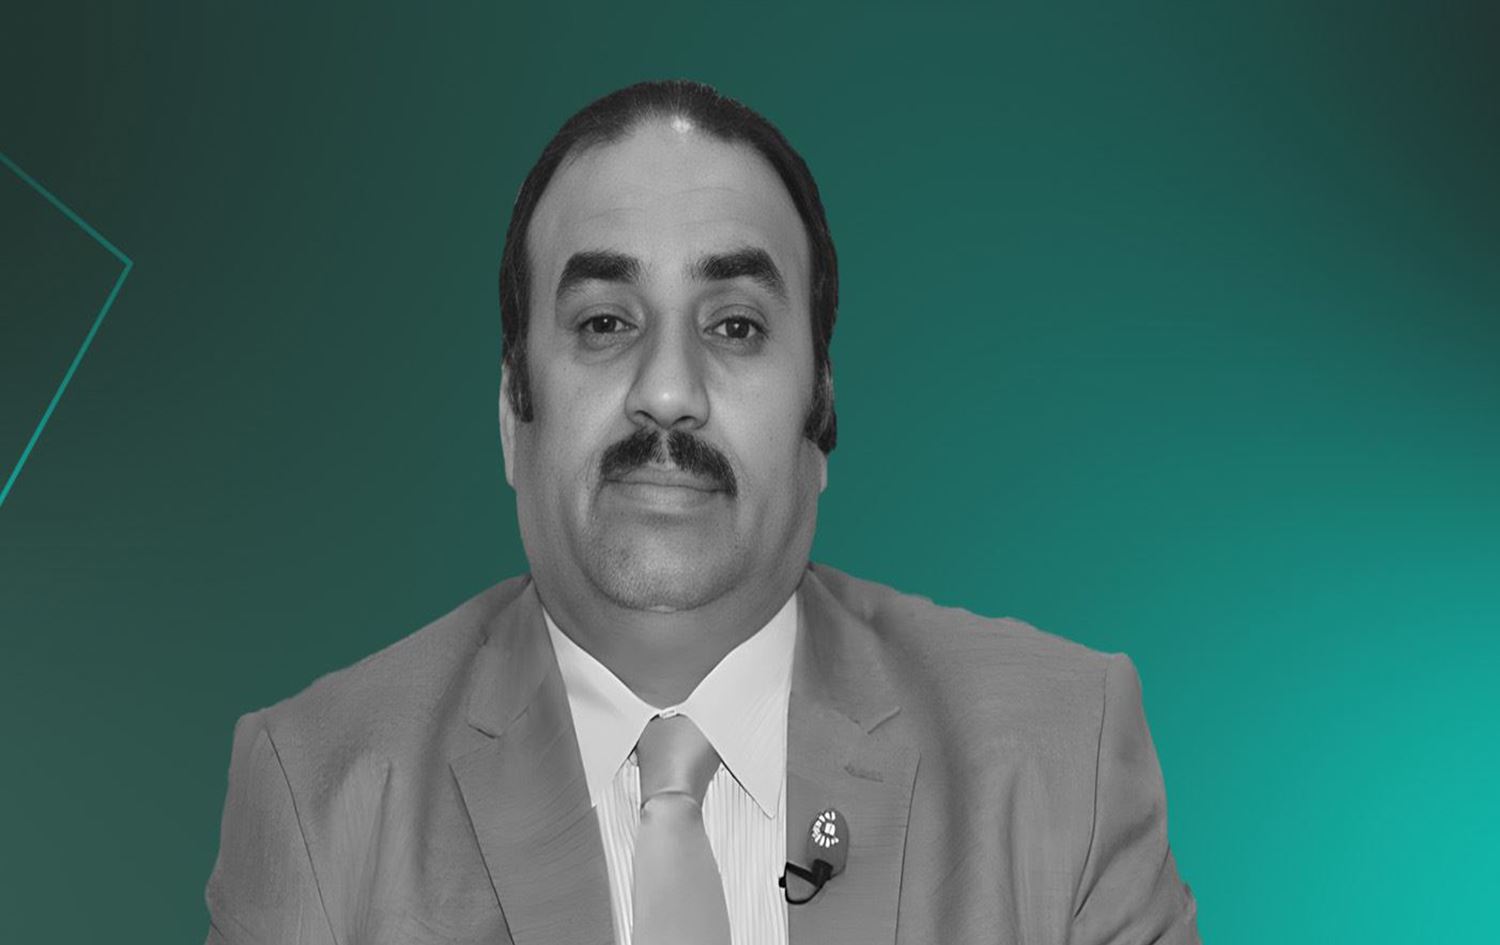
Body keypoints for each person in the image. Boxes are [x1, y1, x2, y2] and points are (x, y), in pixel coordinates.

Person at [204, 79, 1199, 945]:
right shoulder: (318, 795)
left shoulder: (1062, 758)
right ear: (513, 414)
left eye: (734, 325)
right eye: (605, 322)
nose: (669, 391)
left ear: (821, 413)